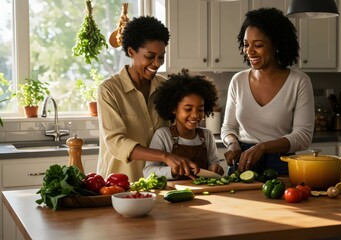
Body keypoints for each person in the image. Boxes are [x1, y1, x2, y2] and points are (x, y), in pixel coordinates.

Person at [97, 16, 199, 181]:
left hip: (160, 184)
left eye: (161, 56)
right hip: (121, 185)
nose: (157, 63)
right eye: (150, 56)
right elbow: (116, 142)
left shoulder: (165, 87)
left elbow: (177, 131)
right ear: (131, 52)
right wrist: (164, 156)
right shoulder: (109, 90)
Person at [221, 8, 315, 175]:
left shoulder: (299, 81)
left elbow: (303, 136)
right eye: (246, 44)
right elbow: (228, 127)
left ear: (276, 45)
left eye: (258, 45)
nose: (249, 51)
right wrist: (232, 144)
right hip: (243, 163)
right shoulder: (238, 81)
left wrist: (262, 147)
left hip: (281, 165)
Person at [144, 70, 225, 180]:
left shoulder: (207, 135)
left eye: (200, 109)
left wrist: (216, 168)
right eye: (188, 109)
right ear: (173, 108)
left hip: (204, 193)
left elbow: (214, 164)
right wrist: (172, 171)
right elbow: (148, 172)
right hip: (172, 194)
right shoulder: (163, 135)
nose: (195, 115)